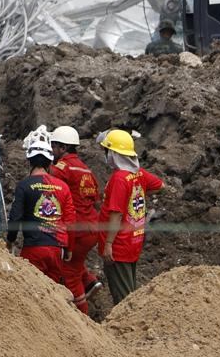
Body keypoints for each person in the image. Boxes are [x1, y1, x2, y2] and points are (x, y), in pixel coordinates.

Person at [6, 128, 77, 303]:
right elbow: (71, 222)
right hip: (56, 249)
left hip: (33, 249)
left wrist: (9, 242)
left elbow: (15, 218)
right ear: (50, 161)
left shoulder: (24, 185)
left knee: (31, 298)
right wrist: (69, 248)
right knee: (53, 299)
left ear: (29, 160)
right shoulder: (63, 187)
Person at [98, 128, 164, 304]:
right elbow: (160, 185)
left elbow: (116, 214)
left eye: (107, 151)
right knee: (129, 288)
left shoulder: (119, 178)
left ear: (114, 154)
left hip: (119, 245)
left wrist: (108, 244)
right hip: (134, 241)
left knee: (124, 299)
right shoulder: (138, 173)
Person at [48, 124, 104, 314]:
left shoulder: (63, 167)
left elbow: (48, 183)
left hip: (78, 230)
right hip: (92, 228)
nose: (52, 151)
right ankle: (90, 281)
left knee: (68, 271)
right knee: (76, 262)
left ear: (63, 148)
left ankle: (82, 315)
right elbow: (96, 201)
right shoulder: (86, 171)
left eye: (54, 146)